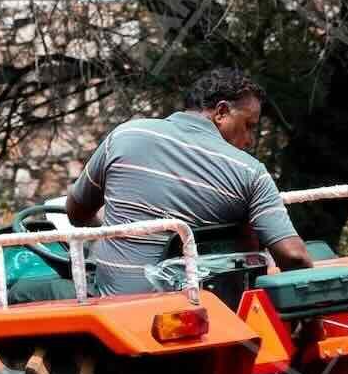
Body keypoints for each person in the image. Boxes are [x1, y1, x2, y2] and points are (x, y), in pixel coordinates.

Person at [65, 67, 313, 294]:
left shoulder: (125, 135)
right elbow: (294, 256)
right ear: (221, 112)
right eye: (248, 125)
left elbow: (77, 211)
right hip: (206, 314)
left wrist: (112, 241)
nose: (249, 139)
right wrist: (311, 327)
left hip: (115, 314)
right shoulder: (250, 171)